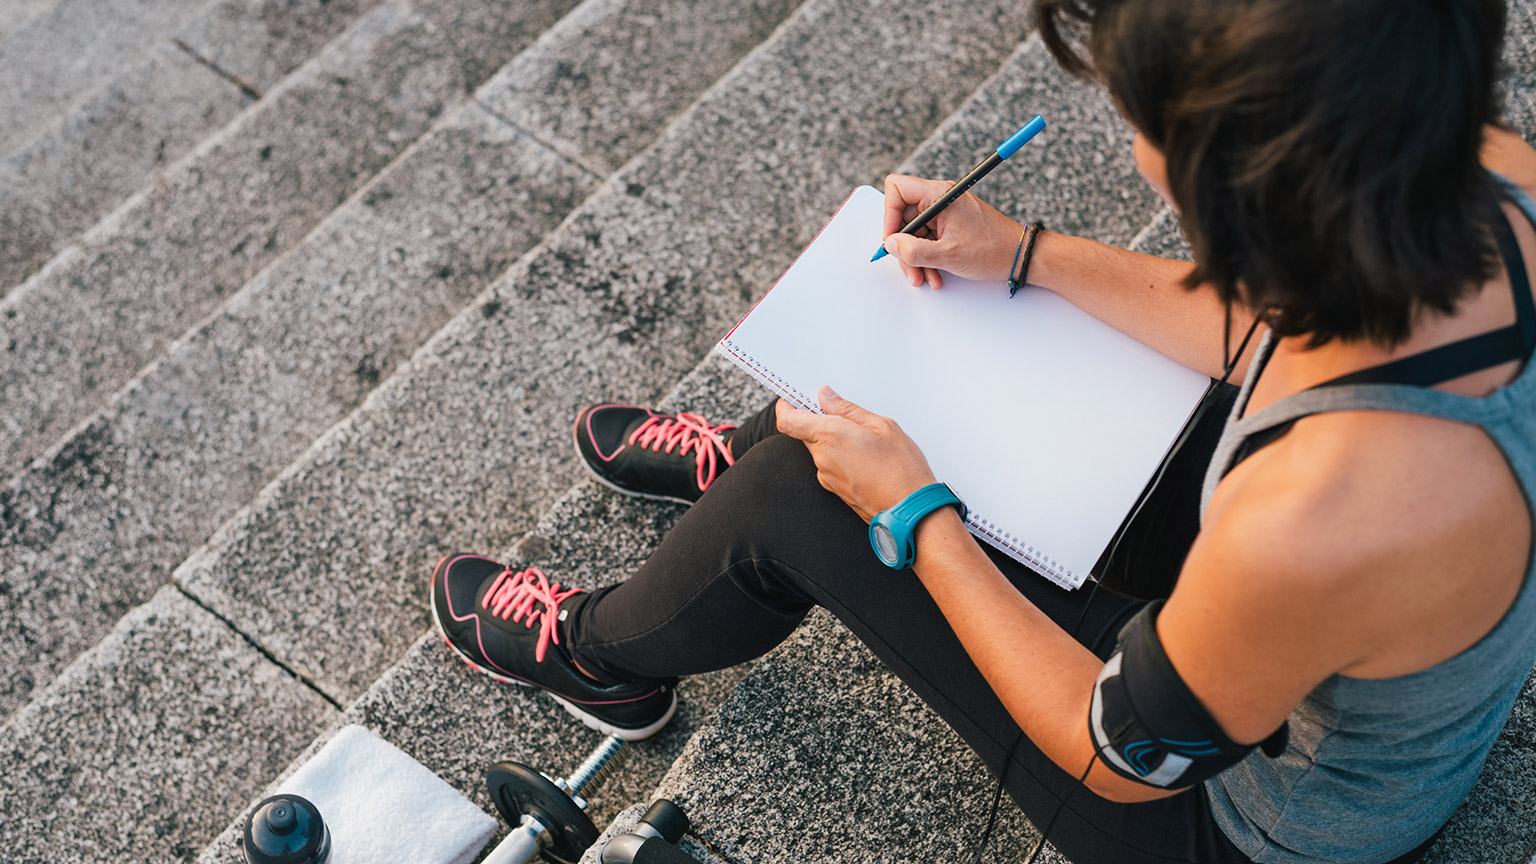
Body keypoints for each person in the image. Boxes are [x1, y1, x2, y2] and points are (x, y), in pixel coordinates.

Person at [426, 1, 1536, 861]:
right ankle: (761, 461)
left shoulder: (1319, 516)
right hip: (1345, 642)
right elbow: (1276, 324)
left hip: (1251, 822)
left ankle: (603, 659)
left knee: (793, 497)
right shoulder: (1488, 175)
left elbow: (1120, 758)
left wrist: (920, 513)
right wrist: (1025, 254)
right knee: (851, 404)